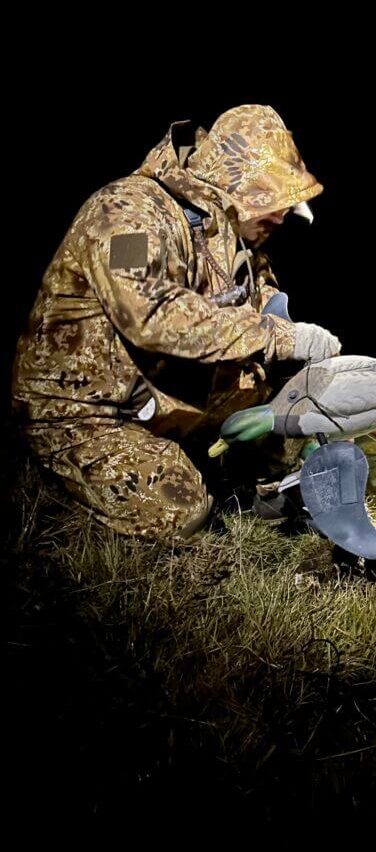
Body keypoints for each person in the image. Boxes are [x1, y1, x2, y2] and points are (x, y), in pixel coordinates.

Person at [11, 104, 342, 540]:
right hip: (87, 407)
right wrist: (278, 336)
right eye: (271, 205)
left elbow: (254, 292)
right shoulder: (125, 214)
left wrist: (320, 369)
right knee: (182, 511)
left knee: (298, 400)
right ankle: (56, 469)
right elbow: (148, 313)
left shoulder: (225, 223)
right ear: (235, 185)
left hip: (163, 393)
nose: (281, 218)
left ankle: (251, 477)